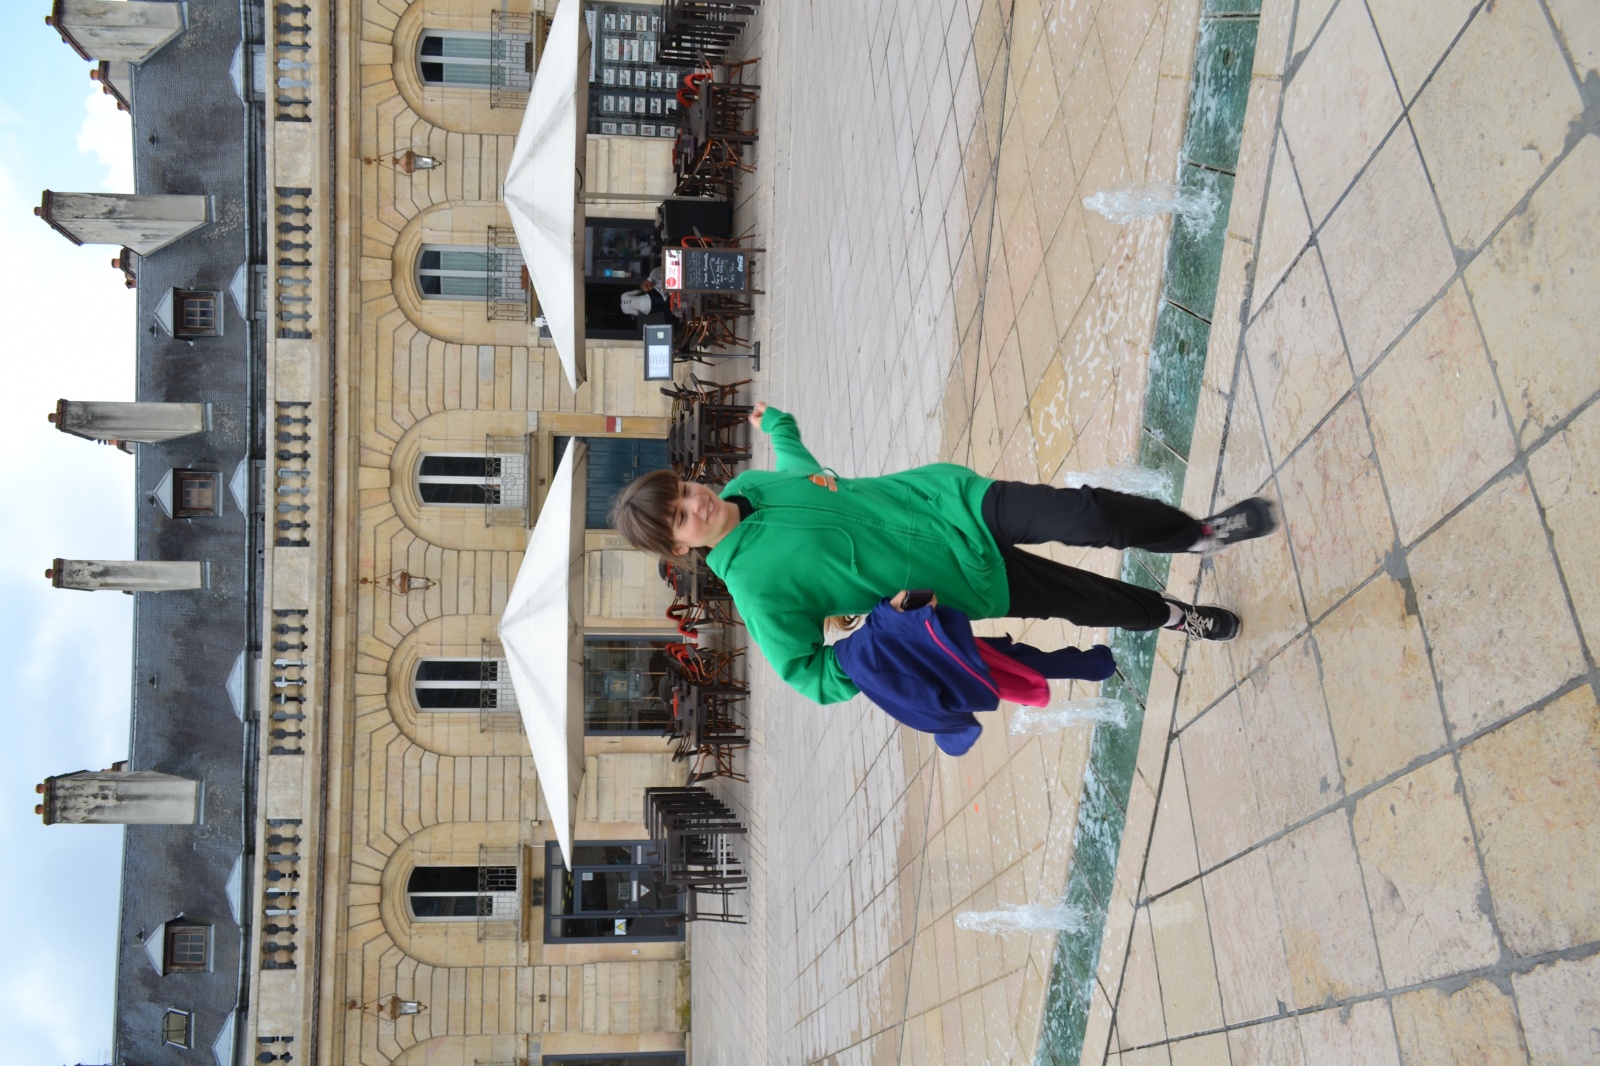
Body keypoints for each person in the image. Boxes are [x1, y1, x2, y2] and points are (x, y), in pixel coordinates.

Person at [609, 402, 1277, 704]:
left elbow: (802, 469)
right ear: (680, 545)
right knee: (1088, 600)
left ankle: (1198, 534)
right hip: (962, 582)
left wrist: (779, 425)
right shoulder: (757, 593)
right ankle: (1175, 616)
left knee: (1087, 514)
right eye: (681, 517)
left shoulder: (750, 486)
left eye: (684, 490)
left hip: (950, 503)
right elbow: (808, 676)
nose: (696, 503)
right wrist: (875, 645)